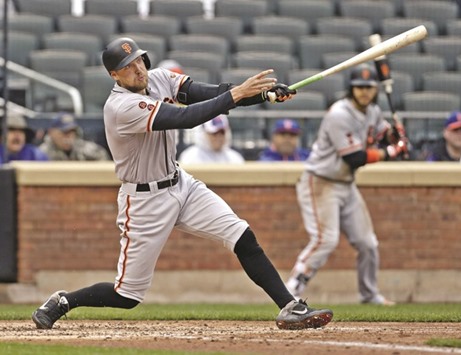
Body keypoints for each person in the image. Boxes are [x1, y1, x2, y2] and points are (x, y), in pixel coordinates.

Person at [31, 37, 333, 331]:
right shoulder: (120, 106)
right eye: (127, 66)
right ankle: (64, 301)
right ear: (114, 75)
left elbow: (208, 94)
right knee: (127, 296)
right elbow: (187, 117)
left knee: (241, 235)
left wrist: (263, 95)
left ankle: (291, 307)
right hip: (144, 201)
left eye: (139, 60)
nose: (138, 69)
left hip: (181, 184)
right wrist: (238, 94)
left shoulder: (160, 77)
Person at [286, 63, 406, 305]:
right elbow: (354, 157)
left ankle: (369, 295)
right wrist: (392, 151)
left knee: (367, 243)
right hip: (320, 181)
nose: (364, 92)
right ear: (351, 89)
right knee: (326, 240)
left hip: (345, 184)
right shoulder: (339, 114)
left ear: (375, 90)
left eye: (368, 87)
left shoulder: (372, 111)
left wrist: (396, 134)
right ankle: (292, 289)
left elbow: (383, 133)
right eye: (359, 87)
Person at [39, 112, 111, 161]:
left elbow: (104, 162)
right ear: (51, 133)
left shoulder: (85, 149)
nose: (69, 136)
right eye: (65, 132)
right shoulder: (42, 153)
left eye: (73, 131)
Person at [178, 114, 245, 164]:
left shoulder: (235, 158)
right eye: (214, 133)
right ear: (203, 134)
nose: (219, 137)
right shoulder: (190, 157)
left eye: (222, 132)